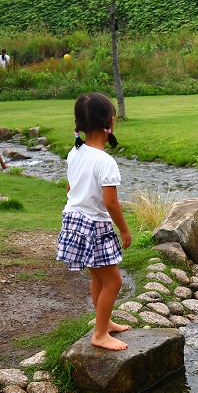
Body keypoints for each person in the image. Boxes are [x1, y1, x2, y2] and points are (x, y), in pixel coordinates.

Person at [56, 92, 133, 351]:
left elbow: (70, 187)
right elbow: (111, 203)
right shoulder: (105, 161)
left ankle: (105, 322)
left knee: (98, 278)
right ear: (110, 122)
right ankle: (99, 334)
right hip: (93, 226)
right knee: (114, 281)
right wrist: (124, 230)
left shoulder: (75, 153)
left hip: (73, 219)